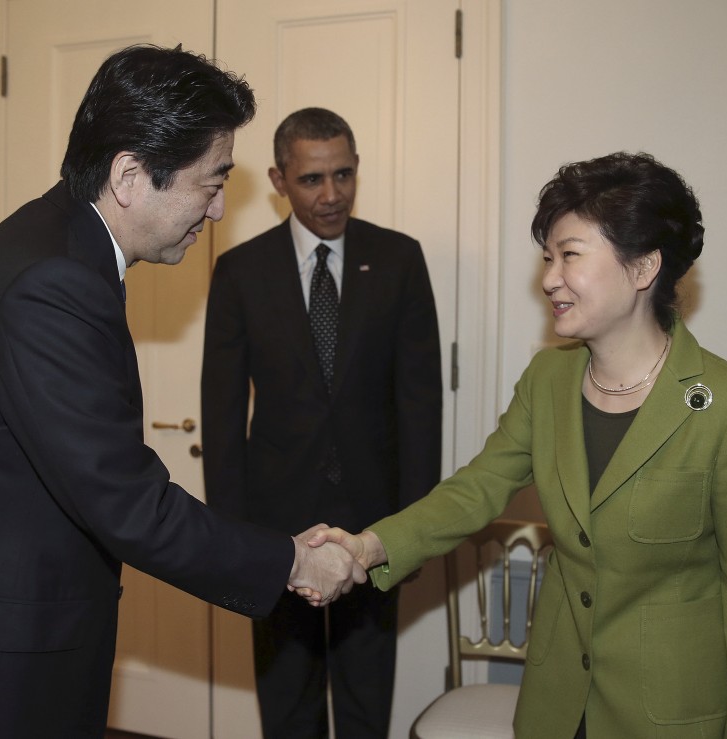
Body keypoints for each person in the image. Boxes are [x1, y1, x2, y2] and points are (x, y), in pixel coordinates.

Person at [0, 46, 364, 739]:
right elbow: (127, 502)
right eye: (210, 182)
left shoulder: (58, 246)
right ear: (130, 174)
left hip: (0, 629)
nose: (219, 209)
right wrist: (293, 559)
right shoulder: (51, 285)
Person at [308, 152, 727, 737]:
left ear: (643, 268)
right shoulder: (548, 381)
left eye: (571, 255)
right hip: (557, 703)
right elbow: (475, 490)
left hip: (668, 713)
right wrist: (367, 547)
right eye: (547, 257)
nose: (549, 278)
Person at [201, 107, 442, 738]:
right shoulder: (240, 272)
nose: (331, 194)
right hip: (275, 527)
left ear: (357, 169)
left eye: (343, 175)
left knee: (365, 703)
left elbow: (421, 404)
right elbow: (221, 413)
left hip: (375, 522)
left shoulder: (399, 261)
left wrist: (413, 529)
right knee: (287, 704)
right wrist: (230, 540)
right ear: (280, 181)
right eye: (312, 180)